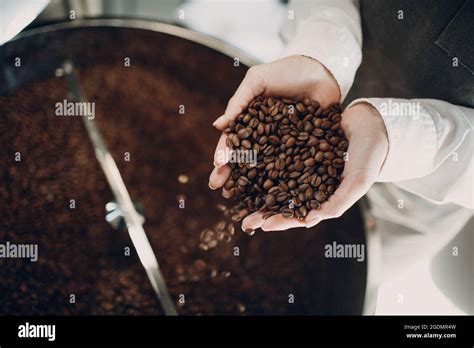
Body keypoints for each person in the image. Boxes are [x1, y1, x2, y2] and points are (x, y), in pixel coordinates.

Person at [208, 0, 473, 311]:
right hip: (311, 85)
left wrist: (395, 136)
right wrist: (323, 52)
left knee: (340, 271)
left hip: (431, 190)